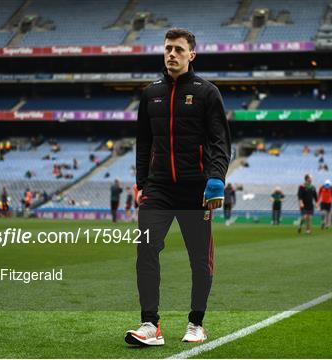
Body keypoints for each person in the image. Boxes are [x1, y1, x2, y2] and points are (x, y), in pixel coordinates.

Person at [125, 28, 231, 346]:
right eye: (168, 48)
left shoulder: (206, 92)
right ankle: (150, 324)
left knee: (199, 259)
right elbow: (143, 142)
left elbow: (219, 140)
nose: (172, 54)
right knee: (146, 249)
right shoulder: (150, 93)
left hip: (196, 189)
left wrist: (216, 179)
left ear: (191, 55)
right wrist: (141, 183)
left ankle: (196, 324)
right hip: (158, 189)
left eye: (179, 50)